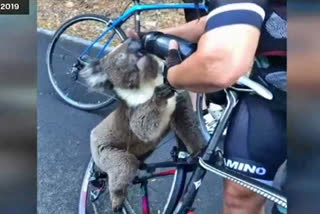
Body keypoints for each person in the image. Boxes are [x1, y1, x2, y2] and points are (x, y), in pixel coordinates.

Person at [142, 1, 287, 214]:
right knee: (240, 197)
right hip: (269, 98)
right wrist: (151, 37)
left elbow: (217, 66)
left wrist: (171, 74)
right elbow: (224, 20)